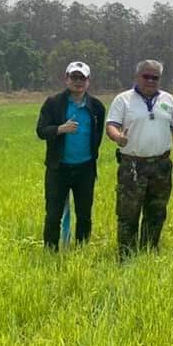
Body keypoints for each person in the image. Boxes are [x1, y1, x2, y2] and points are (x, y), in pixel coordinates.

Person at [106, 59, 173, 259]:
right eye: (146, 76)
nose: (151, 80)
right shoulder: (123, 99)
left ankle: (149, 253)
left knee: (156, 213)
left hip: (161, 165)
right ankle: (126, 257)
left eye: (155, 77)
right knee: (128, 214)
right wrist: (118, 137)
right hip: (133, 166)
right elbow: (111, 125)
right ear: (137, 76)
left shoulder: (168, 99)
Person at [35, 61, 106, 250]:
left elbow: (97, 135)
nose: (78, 81)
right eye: (74, 77)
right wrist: (60, 129)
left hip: (85, 169)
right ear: (66, 79)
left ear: (88, 81)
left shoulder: (97, 107)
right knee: (53, 214)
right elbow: (41, 131)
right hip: (58, 168)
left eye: (82, 78)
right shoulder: (53, 103)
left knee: (84, 214)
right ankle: (51, 251)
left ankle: (81, 249)